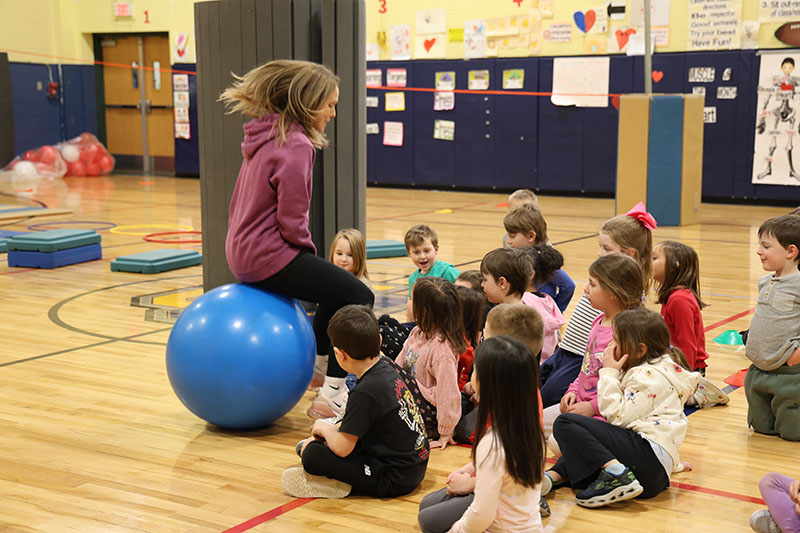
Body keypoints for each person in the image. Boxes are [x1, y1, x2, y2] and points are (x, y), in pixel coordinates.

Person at [220, 60, 374, 420]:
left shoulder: (265, 135)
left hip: (241, 251)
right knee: (357, 294)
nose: (333, 113)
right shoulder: (298, 145)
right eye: (329, 104)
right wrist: (308, 253)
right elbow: (291, 221)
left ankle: (320, 369)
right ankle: (335, 393)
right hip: (265, 254)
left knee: (329, 287)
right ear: (308, 102)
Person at [542, 309, 699, 508]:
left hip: (646, 462)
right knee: (588, 457)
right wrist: (671, 464)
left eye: (615, 340)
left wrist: (608, 372)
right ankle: (548, 481)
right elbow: (666, 424)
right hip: (651, 472)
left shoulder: (647, 376)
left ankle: (617, 473)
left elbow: (616, 417)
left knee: (565, 423)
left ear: (640, 350)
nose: (609, 346)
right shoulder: (661, 369)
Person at [282, 305, 429, 498]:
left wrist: (322, 428)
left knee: (311, 455)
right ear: (380, 340)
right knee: (314, 444)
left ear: (339, 355)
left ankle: (335, 483)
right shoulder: (386, 366)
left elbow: (343, 449)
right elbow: (359, 421)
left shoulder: (365, 391)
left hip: (393, 478)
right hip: (414, 466)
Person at [418, 336, 545, 533]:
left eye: (476, 369)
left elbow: (482, 514)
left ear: (488, 383)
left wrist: (457, 529)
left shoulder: (493, 444)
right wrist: (471, 468)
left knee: (430, 520)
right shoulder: (528, 428)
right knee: (428, 506)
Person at [540, 202, 656, 407]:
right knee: (538, 387)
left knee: (547, 398)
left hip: (582, 361)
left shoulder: (624, 289)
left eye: (607, 248)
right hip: (568, 349)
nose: (600, 253)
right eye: (600, 246)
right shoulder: (603, 275)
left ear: (629, 254)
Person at [542, 254, 644, 445]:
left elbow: (626, 385)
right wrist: (572, 391)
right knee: (535, 424)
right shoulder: (598, 320)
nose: (586, 289)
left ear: (613, 292)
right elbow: (586, 367)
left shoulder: (624, 333)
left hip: (604, 413)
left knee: (557, 443)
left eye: (593, 284)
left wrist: (592, 407)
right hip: (580, 402)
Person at [653, 240, 729, 408]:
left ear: (674, 266)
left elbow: (687, 344)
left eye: (654, 258)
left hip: (688, 369)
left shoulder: (679, 299)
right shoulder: (673, 296)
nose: (649, 263)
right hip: (675, 364)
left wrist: (685, 380)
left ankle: (697, 394)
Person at [744, 214, 800, 441]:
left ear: (790, 251)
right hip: (758, 369)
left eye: (766, 246)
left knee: (792, 433)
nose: (758, 251)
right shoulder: (765, 281)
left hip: (787, 372)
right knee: (761, 428)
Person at [395, 277, 466, 450]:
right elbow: (397, 364)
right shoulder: (417, 332)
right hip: (408, 399)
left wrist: (445, 431)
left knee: (383, 368)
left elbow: (447, 392)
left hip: (427, 412)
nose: (408, 302)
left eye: (411, 299)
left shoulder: (441, 350)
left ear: (424, 311)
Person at [307, 228, 374, 390]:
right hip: (332, 339)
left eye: (349, 255)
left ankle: (333, 383)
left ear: (359, 257)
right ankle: (320, 366)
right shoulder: (331, 280)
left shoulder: (362, 287)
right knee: (324, 308)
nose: (343, 259)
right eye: (339, 254)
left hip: (350, 341)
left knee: (338, 327)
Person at [480, 248, 564, 362]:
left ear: (502, 283)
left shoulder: (512, 321)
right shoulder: (531, 315)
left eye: (485, 280)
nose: (482, 284)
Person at [504, 204, 575, 313]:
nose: (508, 241)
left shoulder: (542, 261)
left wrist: (555, 309)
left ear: (531, 236)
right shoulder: (518, 256)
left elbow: (568, 286)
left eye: (512, 236)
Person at [404, 224, 460, 296]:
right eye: (416, 252)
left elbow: (464, 295)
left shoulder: (447, 272)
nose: (422, 256)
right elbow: (412, 303)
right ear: (409, 253)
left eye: (427, 251)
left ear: (436, 249)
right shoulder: (413, 279)